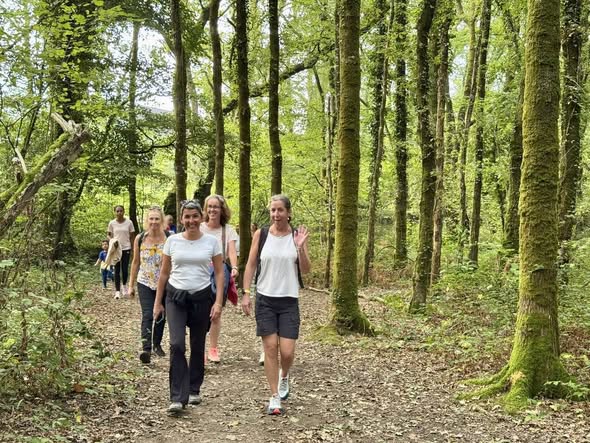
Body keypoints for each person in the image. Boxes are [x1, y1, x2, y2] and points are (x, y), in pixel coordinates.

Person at [154, 200, 224, 415]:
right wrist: (158, 302)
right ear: (181, 219)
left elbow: (219, 273)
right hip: (175, 297)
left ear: (201, 217)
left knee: (197, 344)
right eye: (187, 217)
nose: (191, 220)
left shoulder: (211, 242)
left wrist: (218, 302)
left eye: (195, 216)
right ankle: (177, 397)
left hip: (202, 297)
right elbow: (164, 273)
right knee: (176, 345)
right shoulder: (172, 241)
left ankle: (194, 388)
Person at [242, 194, 310, 415]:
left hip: (289, 300)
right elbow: (251, 264)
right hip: (265, 299)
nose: (276, 214)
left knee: (287, 352)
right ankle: (274, 397)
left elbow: (306, 269)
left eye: (280, 210)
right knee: (270, 348)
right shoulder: (261, 235)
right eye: (273, 210)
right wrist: (246, 293)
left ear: (288, 213)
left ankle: (284, 375)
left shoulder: (296, 236)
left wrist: (300, 248)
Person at [200, 194, 239, 363]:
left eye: (216, 206)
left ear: (222, 209)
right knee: (200, 312)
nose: (212, 210)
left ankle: (213, 349)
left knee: (216, 310)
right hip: (200, 272)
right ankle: (200, 349)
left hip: (219, 273)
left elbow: (231, 251)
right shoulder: (199, 227)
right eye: (210, 206)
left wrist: (234, 267)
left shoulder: (228, 230)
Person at [128, 206, 168, 364]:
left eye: (157, 219)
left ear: (161, 220)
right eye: (151, 218)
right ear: (147, 220)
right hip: (144, 281)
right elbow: (135, 262)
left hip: (164, 282)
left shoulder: (169, 238)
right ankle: (146, 349)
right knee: (148, 314)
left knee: (161, 313)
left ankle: (157, 343)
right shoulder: (140, 238)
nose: (154, 222)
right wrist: (130, 285)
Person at [107, 205, 135, 299]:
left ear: (124, 211)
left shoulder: (129, 222)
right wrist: (112, 241)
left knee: (125, 269)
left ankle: (124, 286)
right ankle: (117, 291)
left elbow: (132, 236)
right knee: (117, 270)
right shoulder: (112, 223)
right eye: (117, 211)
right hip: (116, 249)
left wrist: (133, 249)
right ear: (115, 212)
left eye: (121, 211)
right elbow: (108, 235)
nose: (119, 213)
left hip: (126, 248)